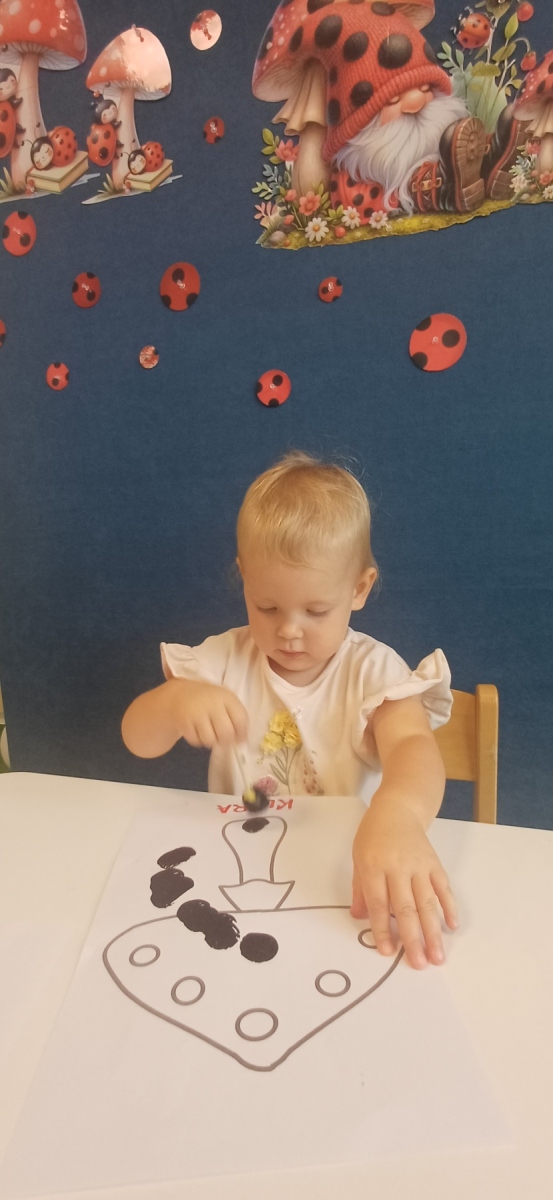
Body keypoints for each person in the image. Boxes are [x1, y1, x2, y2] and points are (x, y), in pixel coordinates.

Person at [122, 451, 457, 970]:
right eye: (267, 607)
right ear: (244, 579)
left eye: (316, 610)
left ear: (359, 589)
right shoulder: (223, 660)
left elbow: (413, 745)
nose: (289, 631)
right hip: (235, 863)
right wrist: (173, 702)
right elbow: (137, 739)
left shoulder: (371, 671)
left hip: (348, 865)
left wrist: (400, 814)